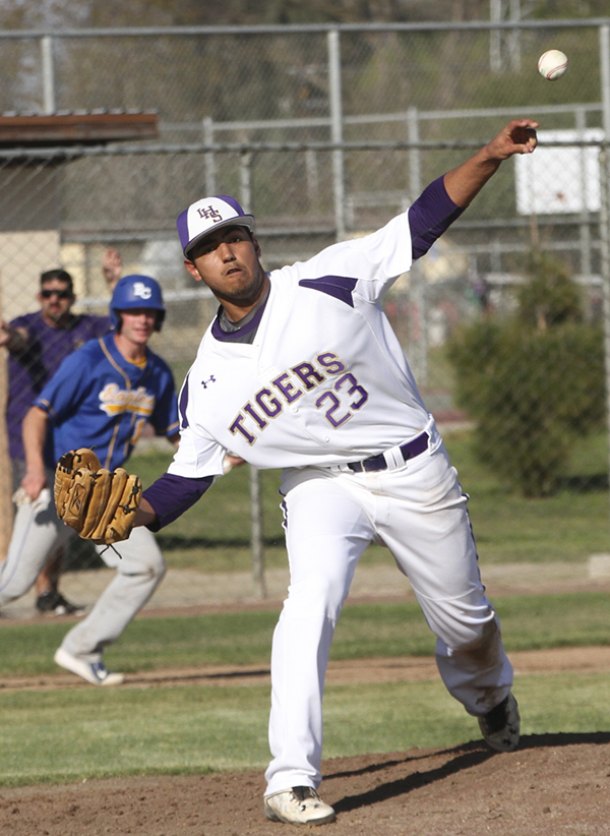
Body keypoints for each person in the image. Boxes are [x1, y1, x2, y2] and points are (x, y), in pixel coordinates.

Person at [129, 119, 537, 826]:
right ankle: (290, 778)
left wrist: (492, 154)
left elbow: (423, 220)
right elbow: (188, 478)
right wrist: (128, 514)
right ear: (193, 270)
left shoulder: (329, 277)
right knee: (306, 605)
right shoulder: (207, 382)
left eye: (233, 237)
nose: (225, 252)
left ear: (254, 242)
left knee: (467, 625)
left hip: (413, 468)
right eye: (207, 249)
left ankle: (489, 694)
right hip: (319, 486)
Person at [0, 274, 180, 686]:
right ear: (118, 316)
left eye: (149, 312)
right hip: (59, 479)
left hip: (103, 494)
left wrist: (219, 453)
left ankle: (81, 648)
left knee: (146, 566)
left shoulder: (156, 372)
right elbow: (36, 415)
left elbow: (174, 432)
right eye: (133, 311)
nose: (142, 319)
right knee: (12, 583)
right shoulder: (88, 360)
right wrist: (33, 470)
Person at [0, 266, 116, 615]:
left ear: (72, 297)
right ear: (39, 297)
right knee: (36, 518)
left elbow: (123, 328)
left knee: (64, 519)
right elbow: (19, 338)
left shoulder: (85, 329)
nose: (55, 300)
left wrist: (114, 285)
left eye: (62, 294)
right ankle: (16, 589)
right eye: (48, 294)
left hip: (70, 439)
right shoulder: (29, 326)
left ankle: (48, 593)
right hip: (30, 441)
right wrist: (8, 335)